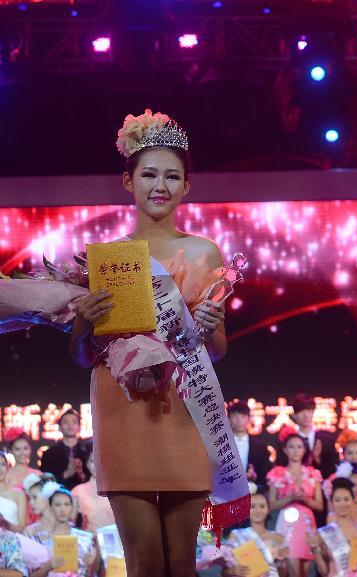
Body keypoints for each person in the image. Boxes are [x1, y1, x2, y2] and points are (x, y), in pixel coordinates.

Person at [67, 110, 249, 577]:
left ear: (188, 186)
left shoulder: (204, 251)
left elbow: (218, 351)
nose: (160, 185)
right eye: (149, 174)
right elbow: (85, 357)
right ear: (128, 181)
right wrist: (82, 326)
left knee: (180, 565)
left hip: (185, 412)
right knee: (144, 563)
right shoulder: (106, 259)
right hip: (123, 413)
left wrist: (207, 329)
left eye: (173, 175)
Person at [268, 428, 325, 577]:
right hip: (287, 523)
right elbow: (271, 505)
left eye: (299, 447)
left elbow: (320, 505)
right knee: (290, 566)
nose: (295, 451)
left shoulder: (313, 473)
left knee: (305, 571)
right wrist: (290, 498)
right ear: (285, 450)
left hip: (307, 523)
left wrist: (304, 499)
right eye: (291, 447)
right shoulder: (277, 473)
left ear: (305, 450)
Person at [315, 477, 357, 576]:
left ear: (353, 500)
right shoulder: (324, 534)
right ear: (332, 502)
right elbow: (324, 572)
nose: (342, 504)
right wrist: (315, 552)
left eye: (346, 499)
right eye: (337, 500)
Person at [27, 487, 97, 577]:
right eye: (58, 505)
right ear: (51, 507)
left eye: (66, 504)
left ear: (72, 507)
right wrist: (48, 566)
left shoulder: (85, 539)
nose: (62, 509)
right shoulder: (40, 539)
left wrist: (89, 566)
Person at [223, 492, 289, 577]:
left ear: (268, 509)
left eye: (262, 506)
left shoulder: (278, 538)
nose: (258, 510)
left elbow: (283, 574)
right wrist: (232, 571)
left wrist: (281, 562)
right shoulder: (236, 535)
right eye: (252, 506)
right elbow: (224, 572)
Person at [229, 400, 274, 494]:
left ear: (249, 419)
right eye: (235, 416)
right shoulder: (219, 446)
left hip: (252, 494)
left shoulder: (261, 447)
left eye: (243, 416)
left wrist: (254, 476)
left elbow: (266, 475)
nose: (239, 420)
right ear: (228, 418)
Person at [291, 394, 341, 479]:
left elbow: (334, 470)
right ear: (294, 415)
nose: (305, 415)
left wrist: (317, 459)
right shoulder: (289, 441)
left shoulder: (327, 439)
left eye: (309, 411)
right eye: (301, 411)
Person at [39, 410, 89, 491]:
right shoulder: (49, 454)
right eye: (66, 422)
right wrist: (66, 474)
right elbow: (44, 482)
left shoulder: (87, 453)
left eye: (74, 422)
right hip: (58, 498)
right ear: (60, 427)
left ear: (79, 427)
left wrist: (82, 475)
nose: (70, 425)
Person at [70, 443, 115, 533]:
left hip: (119, 544)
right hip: (91, 543)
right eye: (92, 461)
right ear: (86, 464)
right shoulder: (78, 491)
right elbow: (70, 523)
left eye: (101, 460)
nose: (97, 465)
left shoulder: (118, 489)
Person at [0, 451, 26, 532]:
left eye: (3, 464)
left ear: (8, 467)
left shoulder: (19, 494)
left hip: (12, 541)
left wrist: (4, 522)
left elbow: (22, 529)